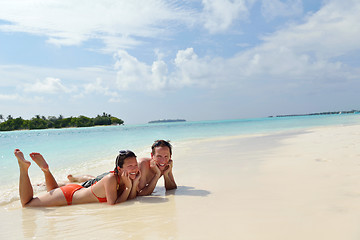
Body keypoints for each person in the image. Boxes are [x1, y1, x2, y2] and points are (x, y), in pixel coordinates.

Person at [14, 149, 140, 207]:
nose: (134, 168)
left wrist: (133, 184)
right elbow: (113, 204)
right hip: (69, 196)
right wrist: (129, 186)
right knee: (27, 203)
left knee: (52, 191)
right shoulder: (111, 179)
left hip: (75, 190)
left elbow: (131, 197)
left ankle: (46, 171)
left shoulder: (126, 178)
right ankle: (23, 168)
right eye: (130, 166)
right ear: (119, 169)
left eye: (135, 165)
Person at [69, 140, 177, 196]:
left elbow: (172, 189)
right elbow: (141, 193)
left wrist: (167, 173)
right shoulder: (143, 165)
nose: (163, 161)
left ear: (170, 156)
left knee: (92, 178)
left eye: (166, 156)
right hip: (112, 179)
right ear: (152, 156)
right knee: (86, 185)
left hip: (117, 184)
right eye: (159, 156)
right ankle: (68, 182)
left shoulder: (165, 164)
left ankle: (77, 178)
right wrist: (158, 174)